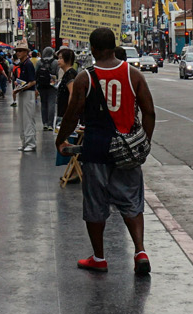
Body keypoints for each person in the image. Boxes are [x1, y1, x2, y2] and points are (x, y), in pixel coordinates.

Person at [56, 27, 156, 276]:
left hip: (96, 151)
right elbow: (150, 112)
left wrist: (61, 140)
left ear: (92, 49)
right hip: (127, 153)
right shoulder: (134, 75)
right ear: (114, 47)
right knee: (132, 203)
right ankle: (140, 251)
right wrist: (143, 143)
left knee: (95, 206)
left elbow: (73, 114)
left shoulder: (85, 78)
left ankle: (99, 258)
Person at [11, 42, 40, 153]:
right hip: (23, 92)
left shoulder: (28, 64)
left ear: (26, 52)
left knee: (28, 118)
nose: (18, 53)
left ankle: (31, 143)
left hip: (28, 93)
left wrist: (22, 87)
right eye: (17, 51)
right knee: (22, 118)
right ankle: (24, 142)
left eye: (20, 51)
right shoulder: (21, 64)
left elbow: (33, 81)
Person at [36, 46, 59, 131]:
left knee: (43, 104)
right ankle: (50, 124)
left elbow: (36, 74)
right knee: (51, 104)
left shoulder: (39, 62)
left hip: (42, 86)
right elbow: (58, 74)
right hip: (52, 87)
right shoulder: (55, 62)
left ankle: (44, 123)